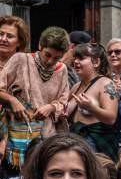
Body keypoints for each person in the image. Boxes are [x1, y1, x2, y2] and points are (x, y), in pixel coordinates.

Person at [0, 26, 70, 171]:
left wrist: (51, 107)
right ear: (40, 46)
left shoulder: (62, 69)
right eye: (47, 55)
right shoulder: (21, 59)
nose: (51, 61)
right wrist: (13, 101)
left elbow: (64, 101)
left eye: (56, 58)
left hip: (46, 136)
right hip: (16, 137)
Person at [65, 43, 119, 161]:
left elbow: (111, 118)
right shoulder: (76, 87)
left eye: (81, 58)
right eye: (75, 58)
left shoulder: (106, 84)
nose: (76, 62)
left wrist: (92, 108)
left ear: (96, 62)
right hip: (74, 142)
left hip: (96, 145)